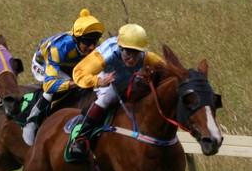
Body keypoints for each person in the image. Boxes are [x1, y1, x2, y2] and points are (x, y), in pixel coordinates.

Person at [68, 23, 164, 157]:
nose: (132, 59)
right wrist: (99, 81)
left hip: (129, 77)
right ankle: (80, 138)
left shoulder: (146, 56)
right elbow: (79, 73)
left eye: (136, 54)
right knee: (108, 97)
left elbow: (167, 69)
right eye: (128, 53)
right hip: (107, 77)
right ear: (120, 48)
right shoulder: (105, 55)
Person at [21, 9, 105, 146]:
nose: (92, 47)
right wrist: (75, 83)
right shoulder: (59, 48)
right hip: (42, 64)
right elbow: (49, 85)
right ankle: (32, 119)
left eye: (94, 43)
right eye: (87, 43)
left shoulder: (95, 44)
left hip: (70, 64)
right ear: (77, 40)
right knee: (63, 84)